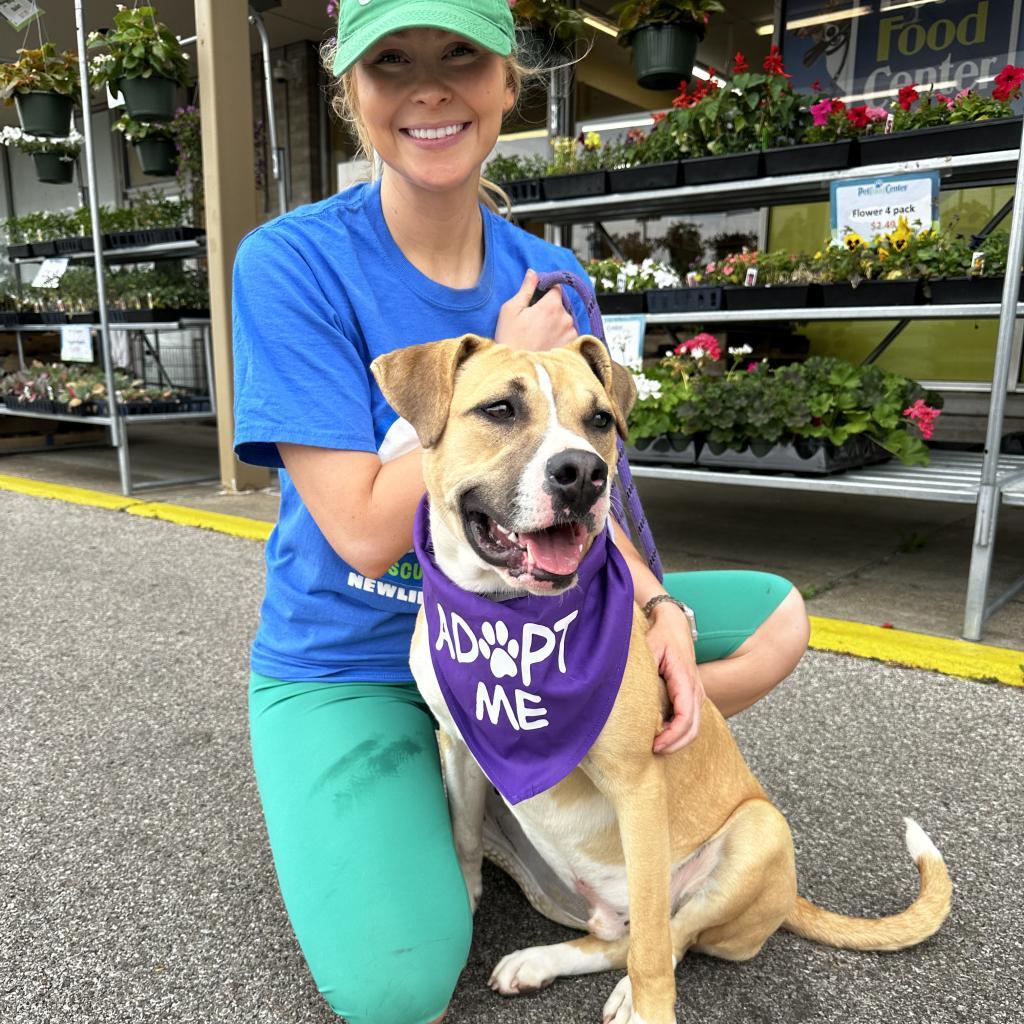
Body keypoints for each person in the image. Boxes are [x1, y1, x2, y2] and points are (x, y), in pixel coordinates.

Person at [231, 2, 811, 1022]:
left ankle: (558, 758)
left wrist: (658, 608)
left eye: (460, 56)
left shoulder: (557, 278)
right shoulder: (290, 263)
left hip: (535, 604)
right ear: (351, 96)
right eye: (391, 63)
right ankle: (494, 778)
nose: (428, 88)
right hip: (356, 647)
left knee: (777, 619)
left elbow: (594, 483)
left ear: (510, 84)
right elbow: (366, 529)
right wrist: (489, 356)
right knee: (394, 987)